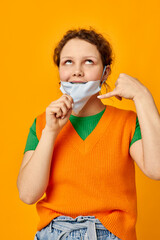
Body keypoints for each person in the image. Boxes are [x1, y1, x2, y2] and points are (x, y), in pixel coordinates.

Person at [17, 28, 160, 240]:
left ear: (106, 72)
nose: (77, 71)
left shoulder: (127, 123)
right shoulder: (42, 124)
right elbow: (28, 195)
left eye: (89, 62)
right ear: (59, 71)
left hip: (111, 234)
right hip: (55, 234)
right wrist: (51, 132)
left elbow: (157, 169)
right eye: (68, 62)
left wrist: (142, 95)